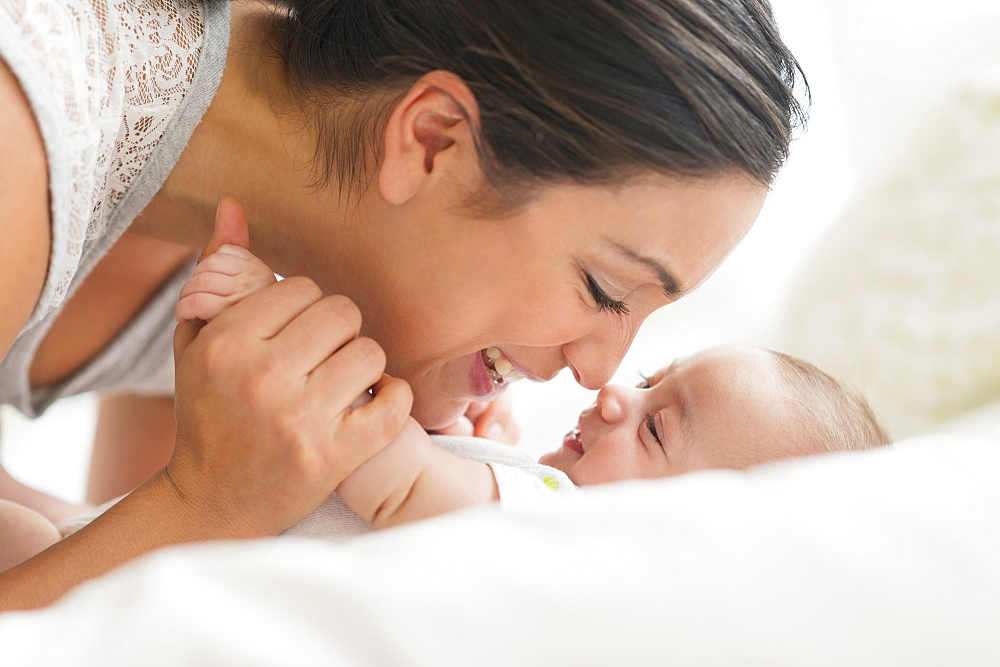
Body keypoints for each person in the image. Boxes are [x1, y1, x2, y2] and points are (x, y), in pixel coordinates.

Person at [0, 0, 806, 607]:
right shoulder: (20, 142)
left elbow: (123, 585)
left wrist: (288, 492)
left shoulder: (247, 285)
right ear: (432, 141)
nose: (600, 371)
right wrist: (203, 501)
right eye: (604, 289)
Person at [0, 243, 887, 558]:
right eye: (655, 379)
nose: (615, 390)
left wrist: (263, 313)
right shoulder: (535, 510)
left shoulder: (560, 534)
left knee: (35, 539)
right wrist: (467, 447)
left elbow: (378, 467)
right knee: (48, 525)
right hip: (157, 549)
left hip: (142, 572)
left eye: (657, 426)